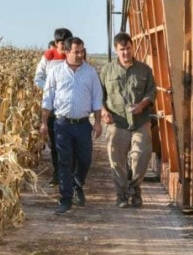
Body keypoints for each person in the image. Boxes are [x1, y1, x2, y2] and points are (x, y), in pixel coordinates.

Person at [40, 36, 103, 215]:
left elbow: (97, 99)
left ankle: (77, 183)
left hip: (83, 124)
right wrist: (44, 122)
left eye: (81, 51)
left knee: (85, 159)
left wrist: (97, 123)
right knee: (64, 161)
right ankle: (65, 199)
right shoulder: (55, 72)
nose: (79, 54)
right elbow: (47, 100)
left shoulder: (90, 73)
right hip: (62, 124)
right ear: (66, 52)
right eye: (76, 52)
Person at [100, 32, 157, 208]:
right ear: (116, 50)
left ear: (133, 48)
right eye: (122, 49)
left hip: (140, 120)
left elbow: (152, 91)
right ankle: (122, 195)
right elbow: (99, 95)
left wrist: (143, 104)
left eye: (128, 48)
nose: (126, 52)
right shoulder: (107, 71)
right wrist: (103, 111)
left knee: (142, 155)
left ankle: (135, 188)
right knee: (115, 159)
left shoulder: (144, 70)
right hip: (117, 121)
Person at [33, 28, 73, 186]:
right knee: (56, 144)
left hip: (69, 107)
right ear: (56, 43)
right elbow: (38, 78)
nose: (64, 46)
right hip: (52, 108)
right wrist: (49, 89)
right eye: (61, 43)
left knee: (70, 144)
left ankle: (69, 174)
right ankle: (58, 174)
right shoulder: (48, 56)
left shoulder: (74, 57)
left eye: (67, 43)